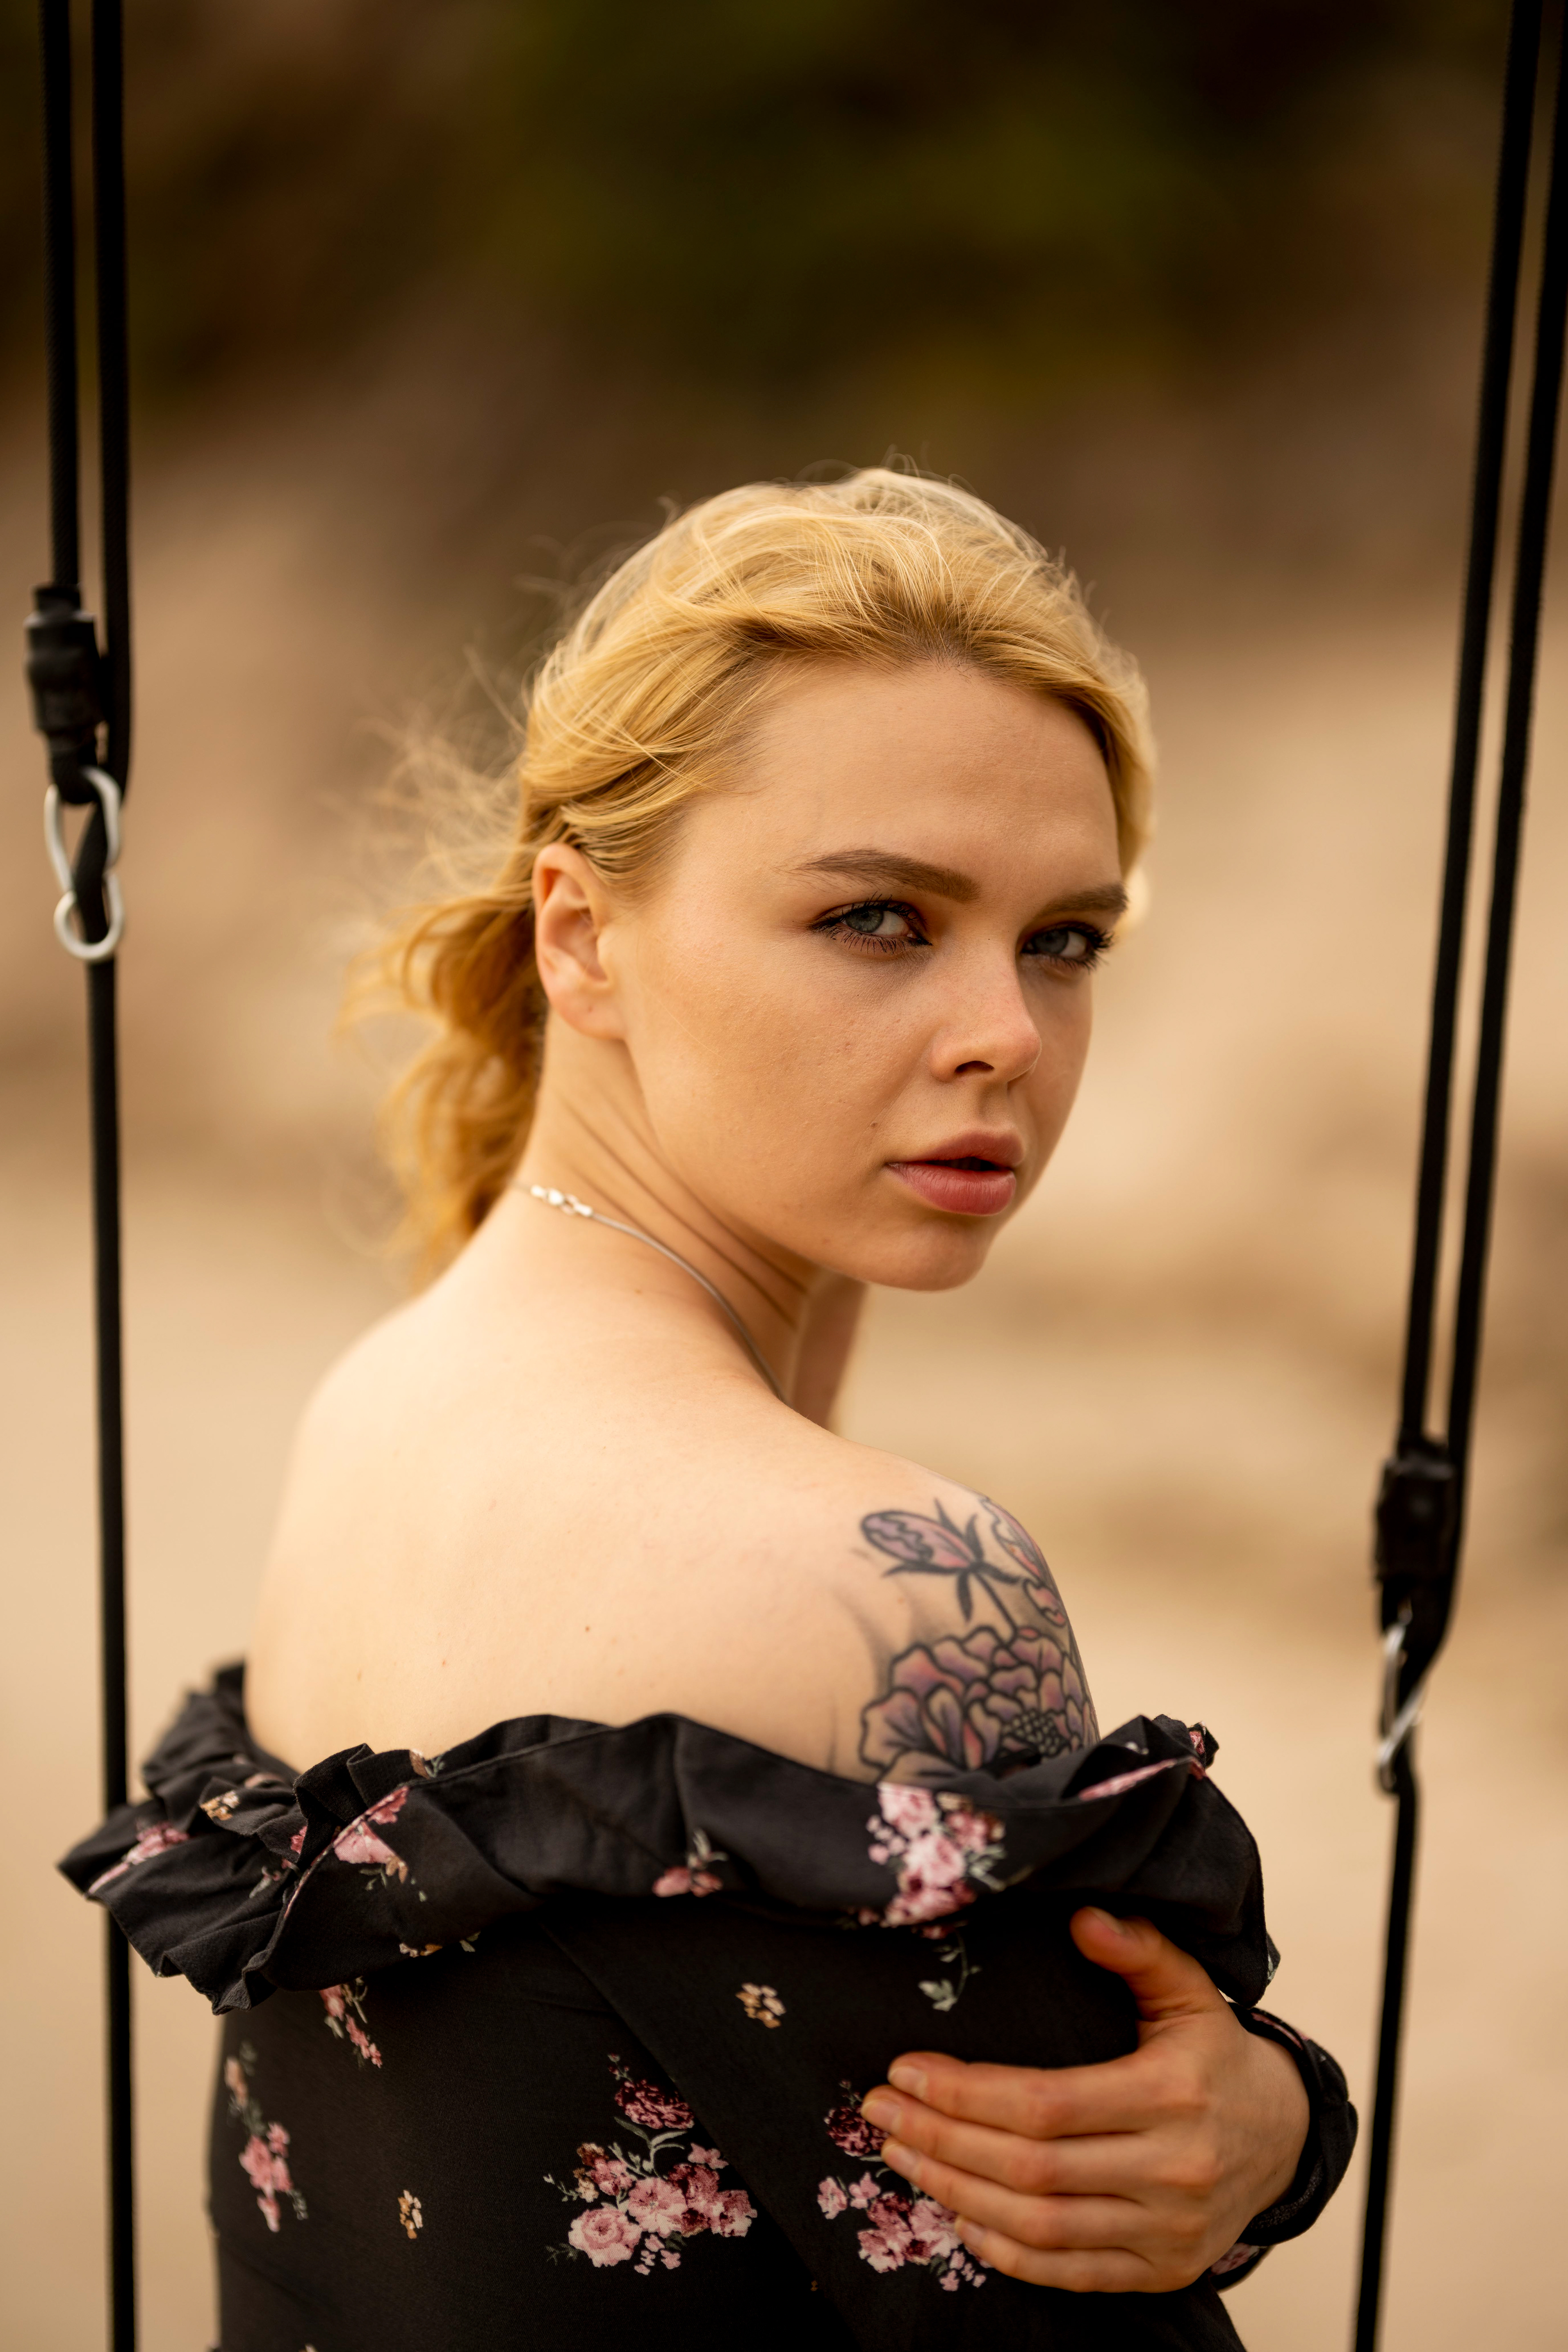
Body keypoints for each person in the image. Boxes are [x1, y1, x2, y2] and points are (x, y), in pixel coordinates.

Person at [64, 470, 1353, 2350]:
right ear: (581, 936)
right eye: (880, 918)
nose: (1007, 1032)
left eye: (1065, 939)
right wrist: (1285, 2129)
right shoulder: (886, 1580)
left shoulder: (383, 1400)